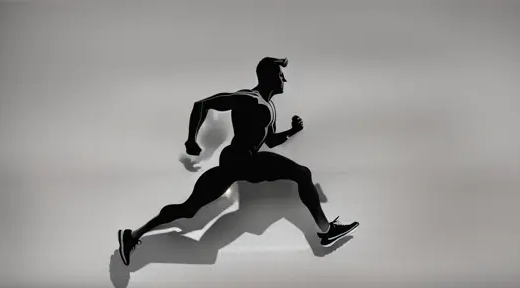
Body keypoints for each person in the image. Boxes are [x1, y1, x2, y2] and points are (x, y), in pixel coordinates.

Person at [117, 57, 359, 266]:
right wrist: (191, 140)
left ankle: (133, 234)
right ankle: (326, 231)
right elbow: (202, 104)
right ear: (268, 78)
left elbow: (271, 141)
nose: (285, 80)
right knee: (302, 174)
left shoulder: (269, 106)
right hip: (240, 160)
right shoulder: (248, 99)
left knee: (189, 211)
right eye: (281, 75)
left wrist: (292, 131)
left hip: (239, 165)